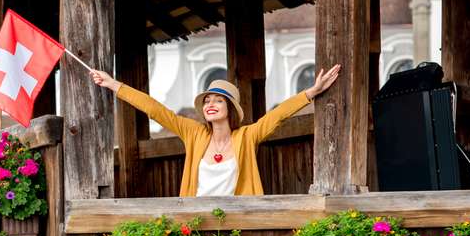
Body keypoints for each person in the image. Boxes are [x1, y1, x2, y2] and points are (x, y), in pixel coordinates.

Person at [86, 64, 341, 196]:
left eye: (218, 100)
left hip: (236, 223)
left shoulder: (247, 136)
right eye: (207, 100)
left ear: (230, 108)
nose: (210, 104)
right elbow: (156, 110)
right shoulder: (194, 133)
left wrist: (311, 93)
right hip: (197, 223)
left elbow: (277, 115)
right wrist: (114, 84)